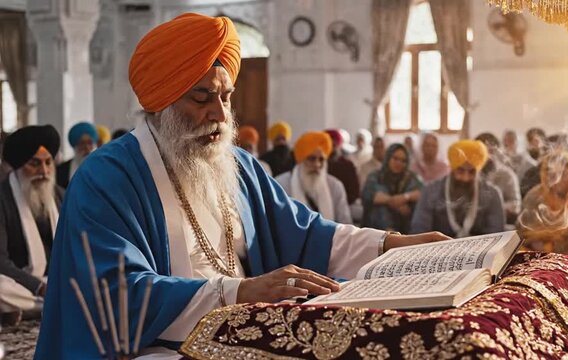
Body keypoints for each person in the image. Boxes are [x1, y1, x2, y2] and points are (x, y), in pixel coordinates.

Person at [35, 14, 449, 359]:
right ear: (161, 103)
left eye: (226, 97)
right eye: (202, 98)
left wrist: (393, 246)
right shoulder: (107, 178)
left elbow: (308, 235)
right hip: (156, 348)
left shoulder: (238, 165)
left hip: (249, 328)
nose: (220, 114)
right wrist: (242, 291)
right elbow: (119, 295)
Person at [0, 125, 64, 322]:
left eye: (48, 163)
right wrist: (38, 287)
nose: (43, 171)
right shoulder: (2, 199)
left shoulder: (61, 196)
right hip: (20, 283)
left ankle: (33, 308)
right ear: (19, 167)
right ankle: (54, 305)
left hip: (59, 281)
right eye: (34, 164)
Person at [517, 151, 568, 264]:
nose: (558, 180)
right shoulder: (535, 196)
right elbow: (524, 232)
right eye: (552, 175)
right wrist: (538, 242)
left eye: (563, 174)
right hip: (542, 256)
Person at [410, 140, 505, 237]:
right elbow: (419, 232)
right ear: (452, 168)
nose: (465, 177)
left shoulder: (492, 194)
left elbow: (496, 235)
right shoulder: (430, 191)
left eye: (471, 172)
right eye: (460, 170)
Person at [276, 132, 351, 224]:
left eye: (321, 159)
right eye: (311, 159)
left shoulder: (335, 186)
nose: (317, 164)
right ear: (301, 160)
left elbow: (345, 224)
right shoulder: (281, 184)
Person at [362, 144, 422, 233]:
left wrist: (405, 197)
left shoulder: (410, 177)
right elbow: (371, 195)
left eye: (403, 161)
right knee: (379, 207)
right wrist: (393, 202)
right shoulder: (376, 175)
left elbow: (422, 193)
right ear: (388, 157)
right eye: (395, 158)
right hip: (377, 227)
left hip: (405, 223)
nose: (399, 163)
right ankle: (391, 237)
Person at [475, 133, 521, 224]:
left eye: (487, 150)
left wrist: (492, 208)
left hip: (498, 224)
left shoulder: (507, 174)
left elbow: (515, 205)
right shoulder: (469, 173)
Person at [56, 122, 98, 189]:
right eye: (82, 143)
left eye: (89, 143)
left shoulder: (102, 167)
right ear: (75, 146)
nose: (86, 147)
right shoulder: (61, 170)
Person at [325, 129, 361, 205]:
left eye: (334, 144)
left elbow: (354, 192)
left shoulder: (347, 165)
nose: (332, 147)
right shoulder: (319, 164)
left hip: (344, 203)